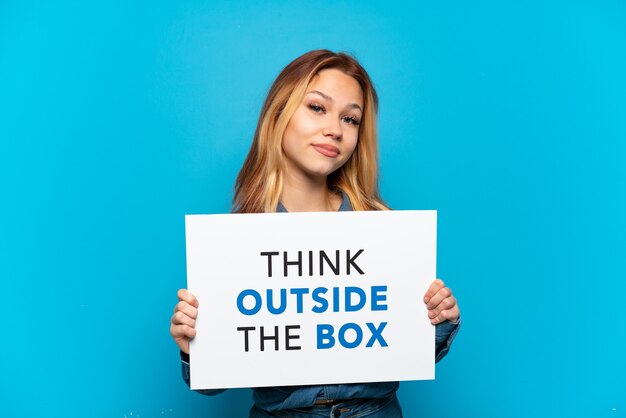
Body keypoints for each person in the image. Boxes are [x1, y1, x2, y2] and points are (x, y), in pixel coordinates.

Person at [170, 49, 461, 418]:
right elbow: (213, 382)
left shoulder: (381, 229)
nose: (335, 130)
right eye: (317, 108)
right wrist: (193, 346)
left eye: (351, 119)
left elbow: (403, 349)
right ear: (279, 114)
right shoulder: (235, 245)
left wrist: (438, 321)